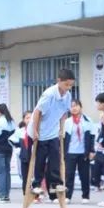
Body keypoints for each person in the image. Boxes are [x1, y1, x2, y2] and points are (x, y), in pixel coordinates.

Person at [28, 69, 76, 199]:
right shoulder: (49, 94)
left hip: (53, 130)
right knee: (40, 158)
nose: (68, 87)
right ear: (59, 81)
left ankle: (56, 183)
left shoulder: (67, 95)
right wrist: (36, 131)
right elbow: (37, 112)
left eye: (71, 85)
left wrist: (62, 128)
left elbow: (64, 112)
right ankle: (36, 183)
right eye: (66, 84)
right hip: (40, 130)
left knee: (55, 157)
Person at [63, 100, 95, 204]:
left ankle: (85, 196)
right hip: (70, 152)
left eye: (76, 106)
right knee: (69, 175)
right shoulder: (67, 122)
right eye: (71, 106)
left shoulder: (87, 120)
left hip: (83, 152)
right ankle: (67, 196)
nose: (74, 108)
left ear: (80, 107)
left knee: (84, 175)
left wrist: (91, 150)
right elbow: (64, 138)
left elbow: (92, 136)